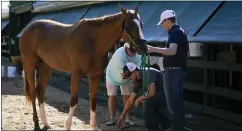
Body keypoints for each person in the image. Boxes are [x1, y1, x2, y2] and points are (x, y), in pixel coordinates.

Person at [147, 10, 189, 131]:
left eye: (162, 23)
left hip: (173, 73)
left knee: (173, 104)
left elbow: (172, 51)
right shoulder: (179, 32)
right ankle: (178, 127)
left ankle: (176, 127)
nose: (162, 25)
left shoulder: (175, 33)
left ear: (167, 21)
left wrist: (152, 49)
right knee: (177, 103)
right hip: (177, 72)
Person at [117, 62, 172, 131]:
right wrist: (123, 115)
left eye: (129, 76)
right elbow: (130, 100)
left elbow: (152, 92)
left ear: (134, 71)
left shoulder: (147, 72)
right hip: (160, 96)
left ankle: (155, 128)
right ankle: (167, 125)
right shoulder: (137, 80)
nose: (129, 78)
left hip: (168, 94)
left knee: (147, 102)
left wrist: (139, 99)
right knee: (148, 105)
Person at [105, 42, 141, 126]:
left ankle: (128, 118)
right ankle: (112, 118)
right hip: (113, 75)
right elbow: (121, 73)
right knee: (112, 96)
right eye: (131, 50)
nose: (133, 53)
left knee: (127, 96)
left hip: (129, 77)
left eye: (134, 51)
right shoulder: (119, 54)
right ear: (126, 48)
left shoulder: (137, 55)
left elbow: (138, 68)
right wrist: (128, 75)